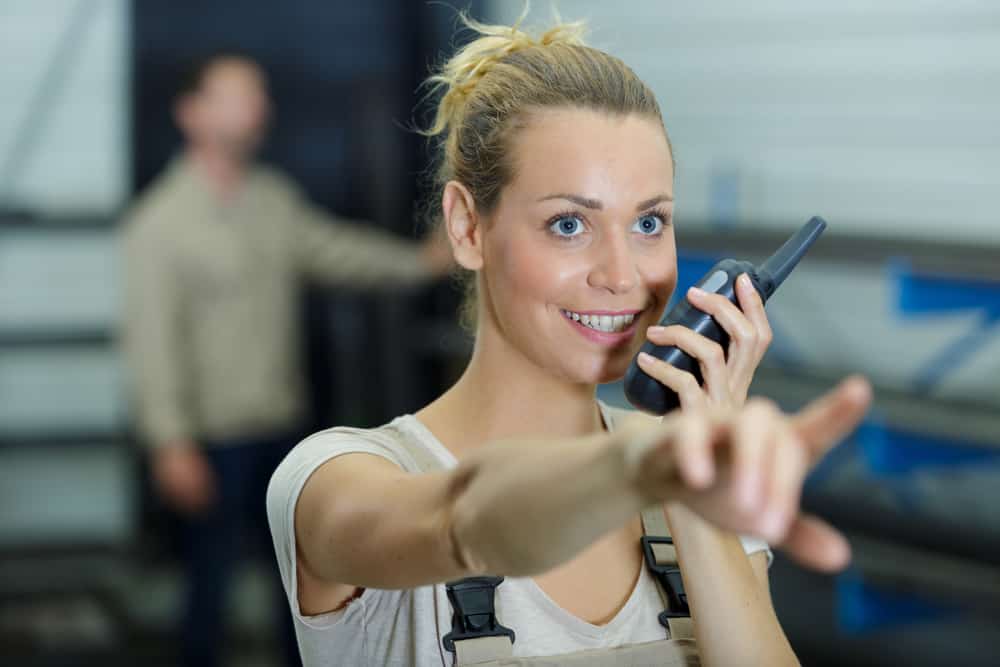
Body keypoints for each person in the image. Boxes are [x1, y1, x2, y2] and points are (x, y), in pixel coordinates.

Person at [266, 15, 873, 667]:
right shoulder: (333, 476)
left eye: (648, 221)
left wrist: (693, 499)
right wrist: (642, 463)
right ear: (467, 228)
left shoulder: (697, 473)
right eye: (567, 222)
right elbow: (463, 518)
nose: (621, 275)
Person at [121, 53, 452, 667]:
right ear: (192, 113)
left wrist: (422, 262)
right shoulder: (159, 223)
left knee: (299, 590)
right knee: (209, 587)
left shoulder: (272, 201)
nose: (259, 108)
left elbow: (335, 250)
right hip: (211, 440)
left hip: (283, 433)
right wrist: (170, 442)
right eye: (240, 95)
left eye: (259, 94)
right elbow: (151, 345)